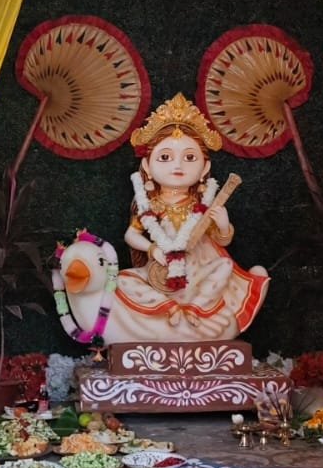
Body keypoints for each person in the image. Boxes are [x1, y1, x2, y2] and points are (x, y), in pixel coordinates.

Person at [110, 93, 269, 341]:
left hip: (200, 271)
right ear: (147, 166)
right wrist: (153, 250)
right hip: (161, 272)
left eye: (190, 157)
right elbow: (131, 235)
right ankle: (170, 309)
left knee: (225, 266)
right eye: (165, 157)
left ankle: (196, 309)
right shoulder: (151, 205)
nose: (178, 166)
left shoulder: (202, 205)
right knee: (122, 280)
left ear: (205, 167)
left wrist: (223, 224)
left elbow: (222, 240)